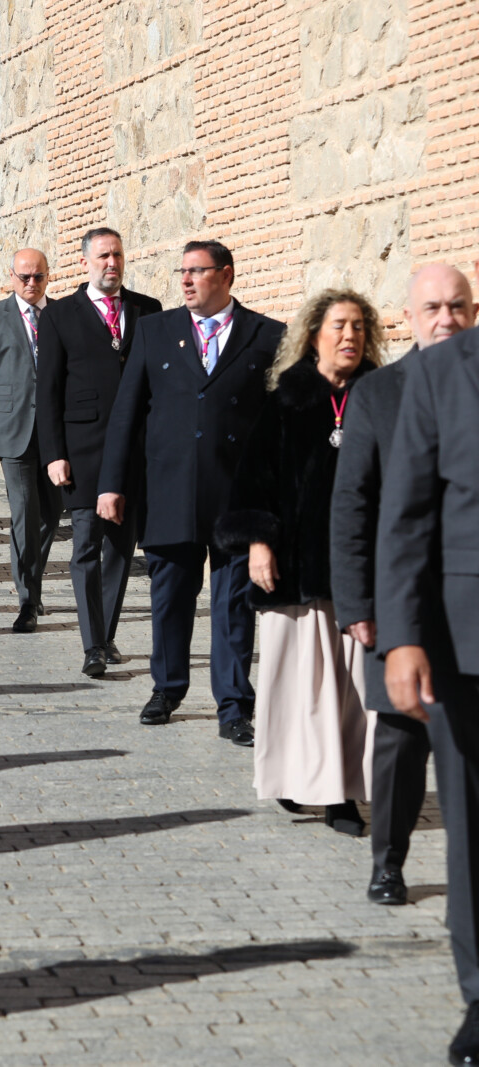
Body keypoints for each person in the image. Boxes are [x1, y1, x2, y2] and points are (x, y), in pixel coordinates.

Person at [98, 239, 285, 742]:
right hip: (170, 489)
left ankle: (234, 706)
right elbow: (126, 414)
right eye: (182, 271)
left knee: (234, 605)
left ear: (226, 275)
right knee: (170, 599)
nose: (185, 280)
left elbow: (279, 426)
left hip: (237, 496)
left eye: (197, 271)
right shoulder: (155, 331)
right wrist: (112, 485)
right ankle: (167, 688)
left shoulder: (268, 335)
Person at [332, 264, 475, 904]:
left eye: (457, 306)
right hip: (398, 602)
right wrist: (357, 604)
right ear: (409, 319)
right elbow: (353, 505)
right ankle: (387, 861)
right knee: (400, 740)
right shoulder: (380, 392)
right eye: (433, 308)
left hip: (468, 605)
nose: (446, 319)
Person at [216, 290, 384, 836]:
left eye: (358, 326)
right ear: (313, 335)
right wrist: (258, 542)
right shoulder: (288, 398)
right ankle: (293, 775)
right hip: (293, 567)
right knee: (297, 686)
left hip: (359, 569)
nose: (350, 335)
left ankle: (342, 795)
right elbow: (254, 477)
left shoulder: (380, 396)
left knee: (353, 692)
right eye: (339, 325)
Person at [377, 313, 479, 1067]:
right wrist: (404, 637)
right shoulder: (444, 373)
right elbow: (406, 515)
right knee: (471, 827)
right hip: (464, 645)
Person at [36, 227, 163, 676]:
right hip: (82, 450)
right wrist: (54, 453)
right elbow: (48, 391)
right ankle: (92, 645)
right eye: (104, 256)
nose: (112, 263)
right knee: (86, 546)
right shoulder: (59, 315)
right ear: (86, 262)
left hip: (133, 451)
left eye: (118, 255)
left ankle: (105, 636)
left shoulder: (148, 310)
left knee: (121, 549)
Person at [0, 248, 61, 631]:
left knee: (51, 515)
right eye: (25, 277)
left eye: (38, 276)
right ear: (12, 278)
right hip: (12, 429)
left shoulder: (61, 316)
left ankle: (31, 582)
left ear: (48, 276)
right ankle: (28, 601)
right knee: (24, 513)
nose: (31, 283)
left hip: (56, 434)